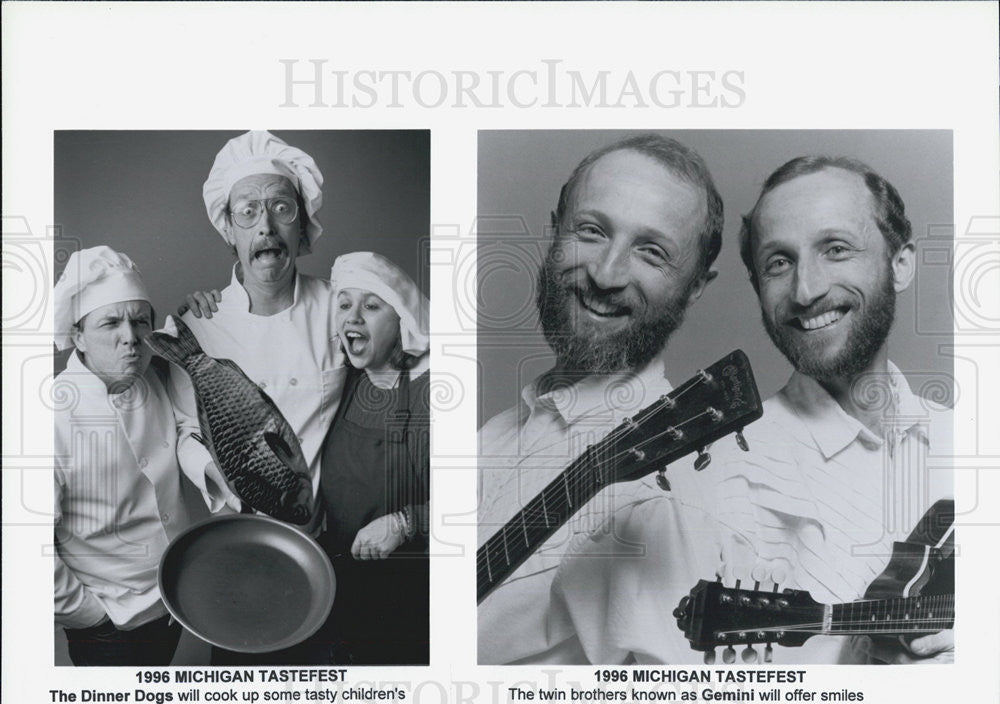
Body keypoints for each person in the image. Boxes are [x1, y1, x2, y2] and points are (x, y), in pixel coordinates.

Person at [478, 135, 726, 664]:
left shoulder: (663, 502)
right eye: (591, 231)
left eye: (651, 252)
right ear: (554, 230)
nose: (606, 274)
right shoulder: (495, 434)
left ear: (697, 287)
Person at [714, 156, 953, 664]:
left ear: (901, 262)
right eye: (779, 262)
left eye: (836, 249)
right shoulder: (719, 475)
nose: (806, 290)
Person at [166, 130, 347, 665]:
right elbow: (184, 430)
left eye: (281, 208)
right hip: (242, 537)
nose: (265, 225)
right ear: (228, 229)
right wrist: (240, 480)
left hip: (334, 535)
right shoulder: (196, 325)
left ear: (303, 226)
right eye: (247, 211)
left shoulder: (343, 307)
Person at [53, 246, 231, 666]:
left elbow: (196, 368)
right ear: (78, 336)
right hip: (111, 624)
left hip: (172, 602)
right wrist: (90, 616)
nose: (130, 337)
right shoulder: (51, 414)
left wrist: (199, 312)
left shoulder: (153, 377)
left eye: (140, 320)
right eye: (110, 323)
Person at [318, 251, 430, 665]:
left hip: (405, 600)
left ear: (401, 319)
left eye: (371, 306)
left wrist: (404, 523)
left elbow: (471, 506)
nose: (353, 318)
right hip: (342, 588)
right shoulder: (344, 381)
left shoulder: (426, 394)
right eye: (345, 305)